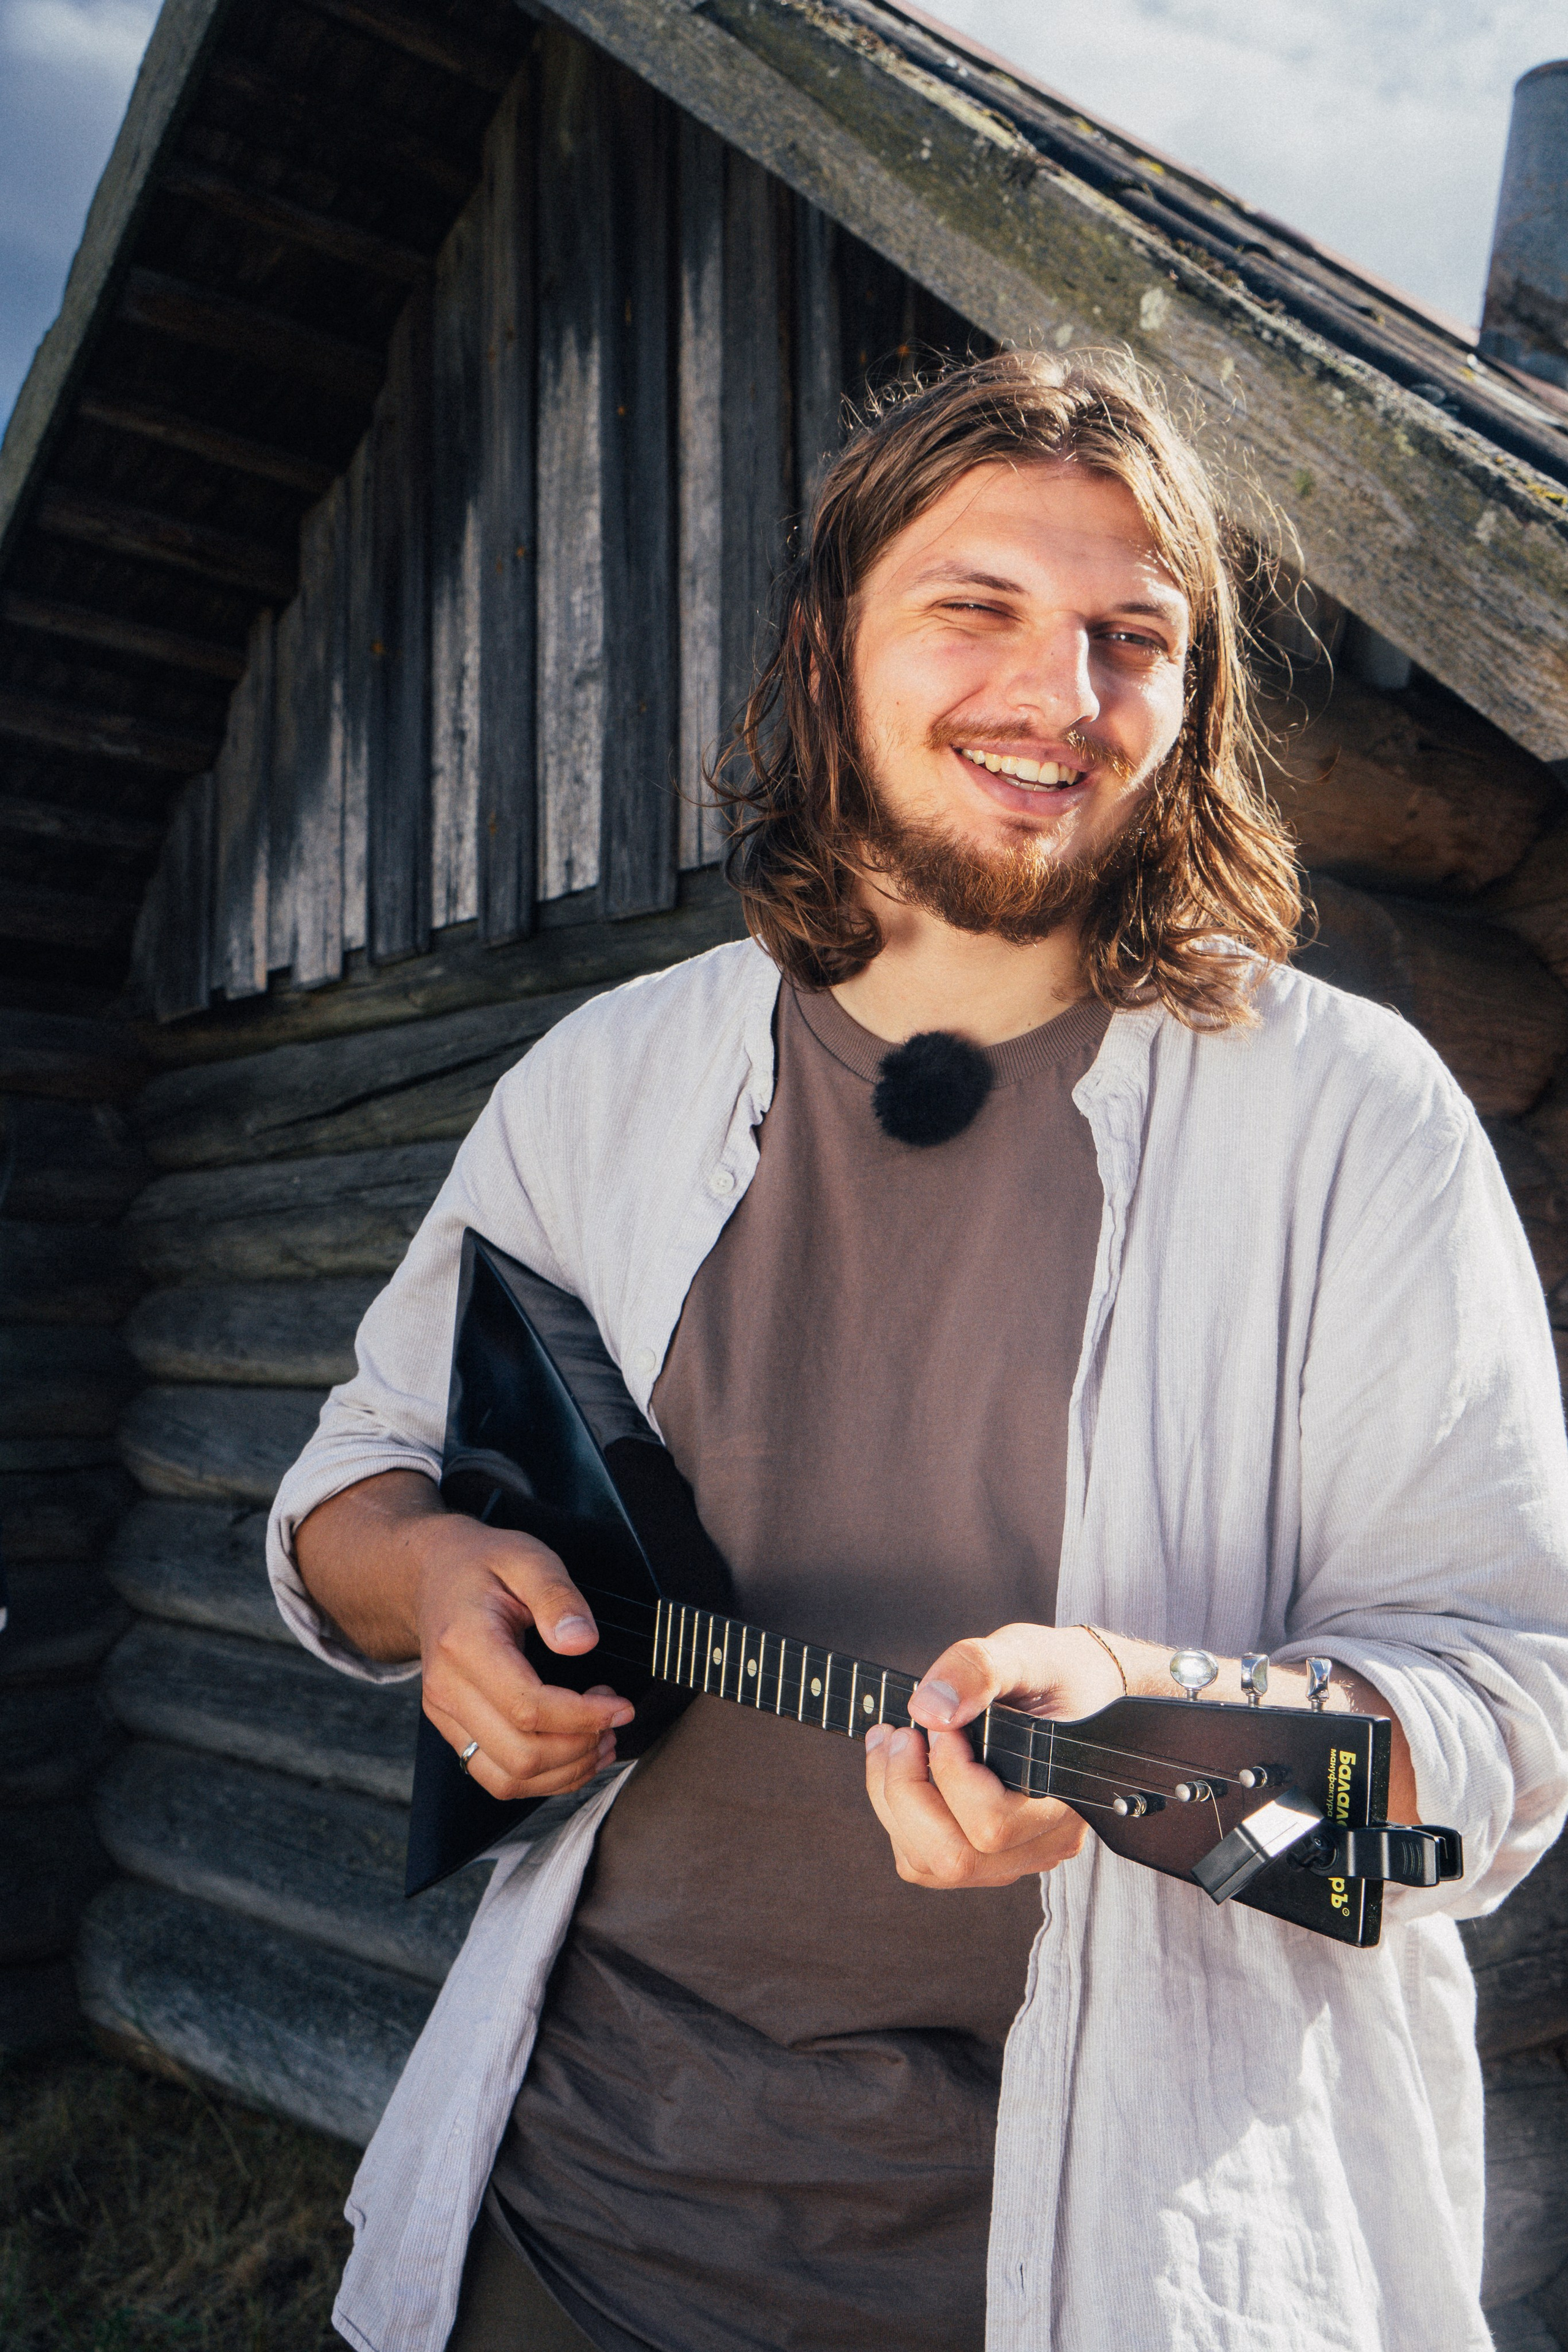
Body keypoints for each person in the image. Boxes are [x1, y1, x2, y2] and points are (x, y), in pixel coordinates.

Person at [268, 352, 1568, 2352]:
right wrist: (439, 1580)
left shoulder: (1353, 1123)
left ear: (1193, 699)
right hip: (574, 2223)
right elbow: (352, 1492)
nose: (1060, 699)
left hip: (1130, 2274)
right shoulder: (601, 1083)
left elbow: (1509, 1733)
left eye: (1133, 637)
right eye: (976, 607)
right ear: (824, 646)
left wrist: (1145, 1733)